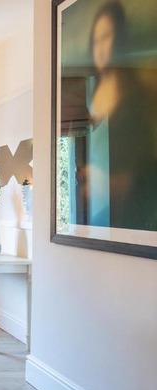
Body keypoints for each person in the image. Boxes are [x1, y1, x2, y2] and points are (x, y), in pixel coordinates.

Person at [87, 1, 157, 231]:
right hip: (96, 214)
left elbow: (143, 170)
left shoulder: (135, 98)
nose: (100, 47)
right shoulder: (89, 92)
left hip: (127, 214)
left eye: (106, 37)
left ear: (119, 39)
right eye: (96, 40)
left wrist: (104, 181)